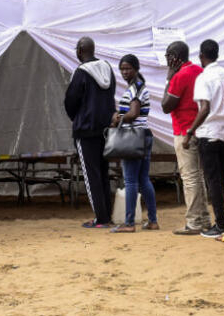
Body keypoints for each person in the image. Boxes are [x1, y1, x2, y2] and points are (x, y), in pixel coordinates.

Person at [64, 37, 116, 228]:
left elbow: (71, 101)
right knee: (103, 172)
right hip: (105, 130)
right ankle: (107, 215)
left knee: (91, 174)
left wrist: (78, 118)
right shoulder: (108, 69)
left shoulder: (81, 73)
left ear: (79, 51)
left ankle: (100, 219)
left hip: (85, 130)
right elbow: (111, 94)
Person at [162, 41, 211, 235]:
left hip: (185, 132)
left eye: (167, 56)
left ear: (174, 57)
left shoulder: (179, 76)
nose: (166, 60)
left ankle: (193, 222)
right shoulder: (199, 71)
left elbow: (166, 106)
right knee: (198, 177)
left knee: (190, 178)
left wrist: (168, 78)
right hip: (200, 129)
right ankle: (204, 219)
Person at [185, 39, 224, 238]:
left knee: (212, 181)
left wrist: (190, 131)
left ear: (201, 56)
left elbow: (204, 108)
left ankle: (221, 223)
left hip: (209, 133)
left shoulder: (203, 78)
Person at [109, 54, 159, 233]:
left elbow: (134, 113)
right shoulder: (137, 86)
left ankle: (129, 223)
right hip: (143, 135)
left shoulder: (136, 88)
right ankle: (152, 221)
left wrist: (117, 118)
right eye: (122, 69)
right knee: (143, 179)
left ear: (136, 69)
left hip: (133, 137)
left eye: (128, 68)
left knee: (130, 180)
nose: (124, 72)